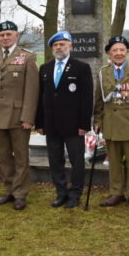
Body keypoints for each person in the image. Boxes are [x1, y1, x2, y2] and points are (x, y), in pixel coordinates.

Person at [0, 21, 39, 211]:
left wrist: (28, 117)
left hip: (18, 115)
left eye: (9, 34)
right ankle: (9, 190)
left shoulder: (27, 57)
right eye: (1, 35)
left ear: (16, 36)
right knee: (3, 156)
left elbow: (32, 90)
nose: (5, 38)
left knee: (21, 157)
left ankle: (20, 193)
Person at [35, 30, 93, 209]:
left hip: (74, 126)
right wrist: (40, 123)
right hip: (51, 124)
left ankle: (75, 194)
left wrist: (84, 124)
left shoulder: (81, 67)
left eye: (62, 44)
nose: (59, 47)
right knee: (55, 161)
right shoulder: (45, 68)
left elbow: (87, 98)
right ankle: (61, 193)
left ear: (70, 46)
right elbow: (40, 97)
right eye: (56, 45)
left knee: (77, 162)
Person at [93, 36, 129, 210]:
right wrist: (97, 120)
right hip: (111, 125)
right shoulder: (103, 73)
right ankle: (116, 193)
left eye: (122, 50)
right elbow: (99, 101)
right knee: (114, 162)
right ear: (109, 53)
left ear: (127, 52)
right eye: (115, 50)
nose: (118, 53)